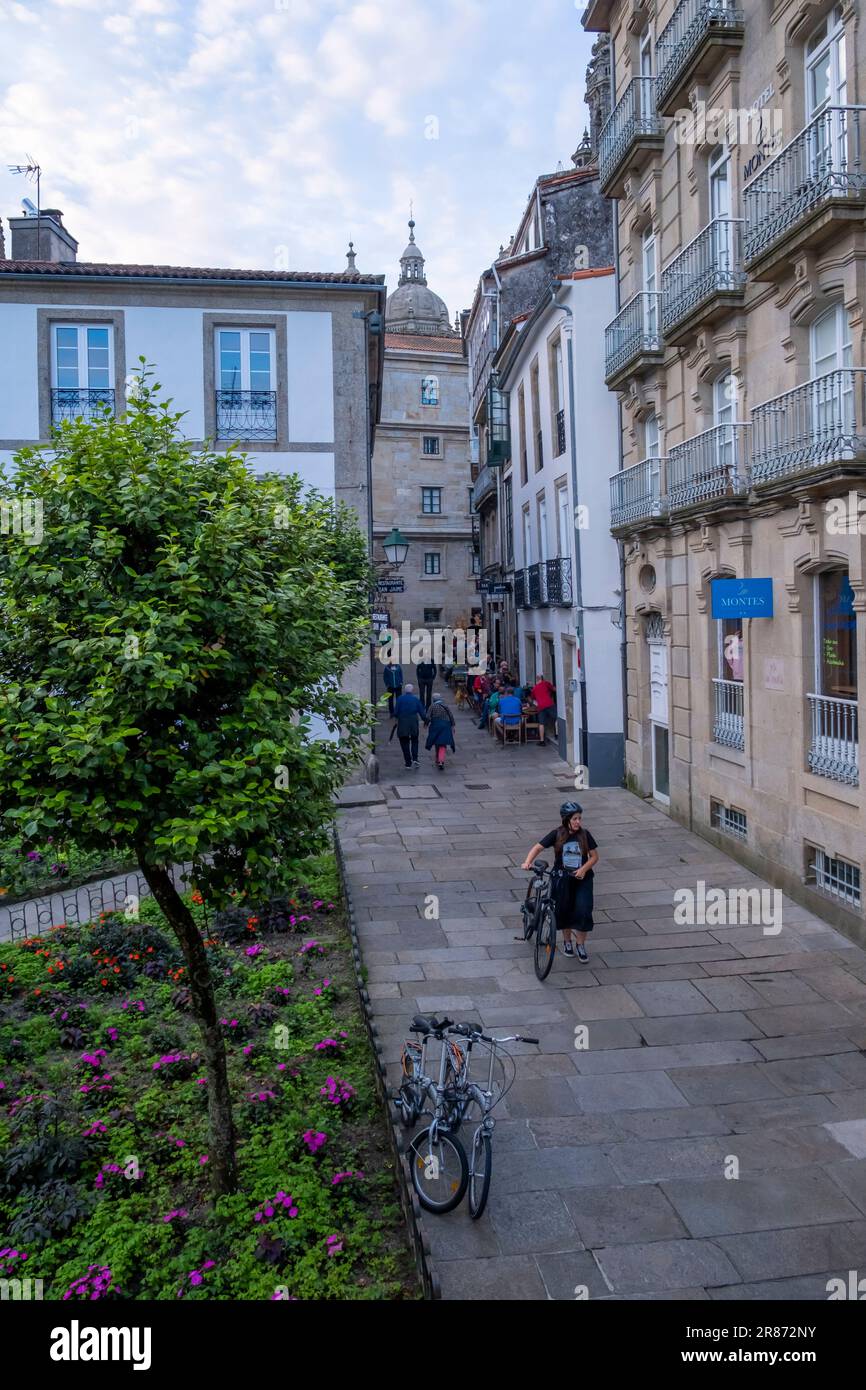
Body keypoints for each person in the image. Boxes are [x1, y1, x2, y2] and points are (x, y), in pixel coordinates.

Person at [521, 801, 599, 961]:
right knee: (564, 910)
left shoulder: (585, 834)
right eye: (575, 819)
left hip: (582, 879)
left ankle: (580, 945)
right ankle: (567, 942)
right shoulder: (557, 834)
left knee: (584, 911)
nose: (578, 822)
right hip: (562, 879)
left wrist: (583, 869)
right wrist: (527, 861)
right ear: (566, 820)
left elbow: (595, 857)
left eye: (579, 818)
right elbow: (538, 847)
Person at [394, 683, 427, 769]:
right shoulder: (415, 699)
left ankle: (408, 762)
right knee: (414, 740)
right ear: (412, 690)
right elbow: (422, 712)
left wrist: (398, 717)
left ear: (405, 691)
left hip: (403, 723)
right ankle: (415, 758)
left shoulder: (400, 699)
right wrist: (426, 721)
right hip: (413, 723)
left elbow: (396, 712)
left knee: (404, 742)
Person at [425, 692, 456, 771]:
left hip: (435, 726)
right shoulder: (445, 706)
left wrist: (426, 724)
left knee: (437, 743)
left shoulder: (432, 706)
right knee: (442, 744)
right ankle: (441, 761)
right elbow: (451, 716)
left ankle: (437, 758)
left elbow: (428, 716)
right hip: (445, 726)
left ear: (433, 699)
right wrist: (453, 726)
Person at [530, 673, 557, 747]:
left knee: (541, 723)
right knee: (556, 718)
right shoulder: (546, 683)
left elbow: (533, 698)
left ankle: (542, 741)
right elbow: (554, 689)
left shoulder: (534, 688)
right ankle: (557, 735)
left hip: (541, 706)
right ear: (542, 678)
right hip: (549, 704)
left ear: (537, 679)